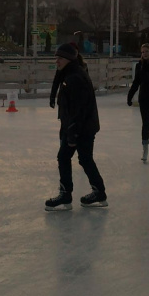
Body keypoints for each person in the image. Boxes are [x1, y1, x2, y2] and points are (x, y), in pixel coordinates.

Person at [45, 43, 108, 211]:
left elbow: (79, 109)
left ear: (68, 59)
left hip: (79, 127)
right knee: (85, 158)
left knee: (64, 157)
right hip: (81, 126)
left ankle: (66, 195)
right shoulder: (69, 73)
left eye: (59, 58)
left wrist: (72, 133)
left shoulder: (75, 77)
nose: (56, 60)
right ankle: (99, 192)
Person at [49, 42, 88, 109]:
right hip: (64, 98)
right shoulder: (62, 66)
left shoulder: (81, 67)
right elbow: (56, 82)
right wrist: (52, 97)